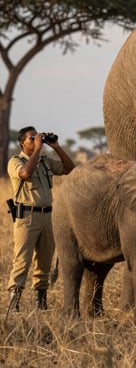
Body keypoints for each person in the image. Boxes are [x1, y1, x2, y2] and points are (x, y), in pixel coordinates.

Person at [7, 126, 75, 311]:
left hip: (48, 216)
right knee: (22, 261)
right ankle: (14, 305)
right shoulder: (15, 161)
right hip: (27, 217)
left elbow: (70, 169)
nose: (36, 140)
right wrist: (38, 149)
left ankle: (41, 302)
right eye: (32, 138)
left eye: (38, 137)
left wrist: (57, 147)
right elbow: (25, 174)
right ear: (22, 143)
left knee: (45, 261)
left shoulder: (45, 161)